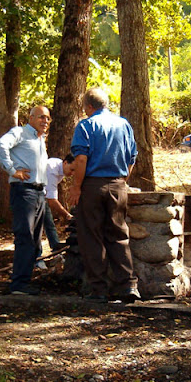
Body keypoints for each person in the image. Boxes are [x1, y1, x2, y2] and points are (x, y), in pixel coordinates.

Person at [68, 88, 140, 303]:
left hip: (92, 185)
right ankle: (128, 286)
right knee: (119, 235)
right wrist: (122, 180)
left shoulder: (86, 125)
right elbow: (132, 157)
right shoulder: (123, 124)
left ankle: (98, 289)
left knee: (91, 236)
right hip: (118, 184)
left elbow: (81, 159)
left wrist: (76, 187)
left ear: (89, 106)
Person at [0, 105, 50, 295]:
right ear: (31, 118)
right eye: (41, 117)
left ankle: (25, 281)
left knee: (34, 240)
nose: (45, 121)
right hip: (24, 191)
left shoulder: (40, 140)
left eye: (48, 118)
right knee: (25, 236)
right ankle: (18, 285)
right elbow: (0, 146)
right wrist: (12, 170)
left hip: (39, 193)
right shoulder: (20, 132)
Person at [35, 153, 76, 269]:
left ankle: (56, 251)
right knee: (38, 226)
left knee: (48, 223)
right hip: (33, 193)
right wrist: (67, 215)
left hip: (41, 193)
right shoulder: (52, 169)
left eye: (74, 171)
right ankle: (37, 258)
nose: (71, 173)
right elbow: (52, 200)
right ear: (65, 162)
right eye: (71, 169)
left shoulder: (59, 169)